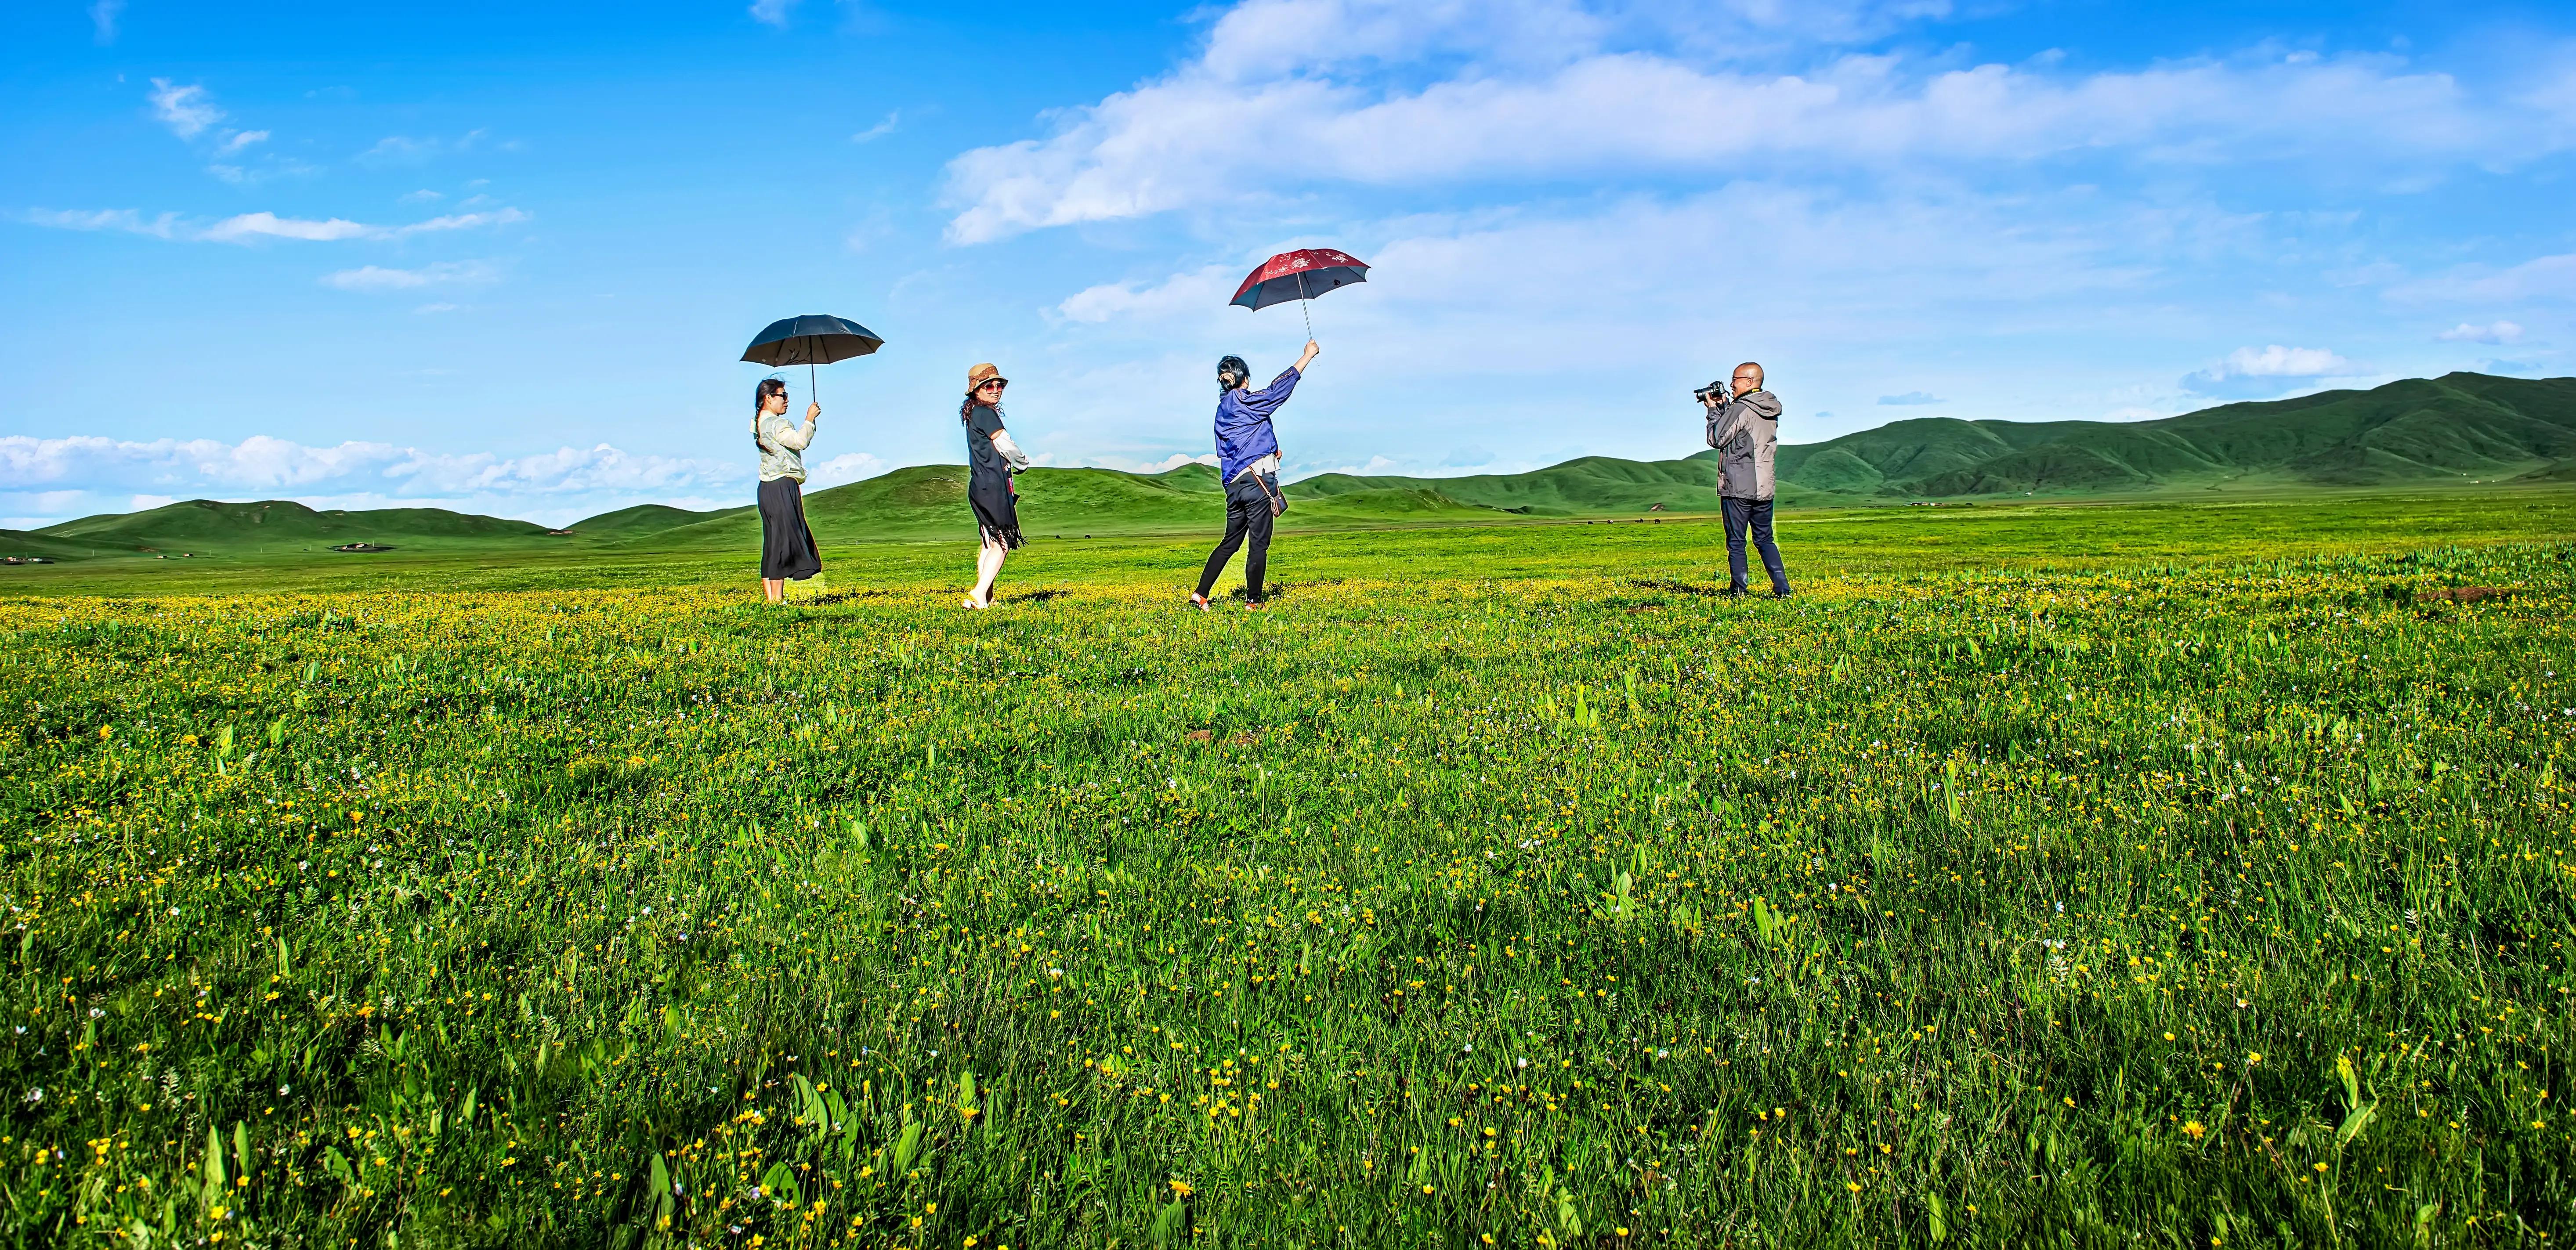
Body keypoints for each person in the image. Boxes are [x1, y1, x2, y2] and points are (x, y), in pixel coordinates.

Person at [1194, 340, 1317, 611]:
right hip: (1257, 484)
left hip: (1234, 486)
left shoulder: (1222, 410)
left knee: (1230, 542)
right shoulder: (1245, 400)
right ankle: (1253, 602)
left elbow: (1234, 445)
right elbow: (1277, 392)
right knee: (1259, 544)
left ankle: (1200, 595)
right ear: (1245, 379)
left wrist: (1271, 450)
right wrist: (1306, 357)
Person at [1702, 361, 1791, 597]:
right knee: (1765, 540)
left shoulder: (1741, 408)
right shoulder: (1769, 408)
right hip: (1764, 487)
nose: (1731, 385)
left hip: (1738, 487)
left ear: (1749, 382)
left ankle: (1739, 591)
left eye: (1735, 380)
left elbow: (1717, 438)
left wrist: (1713, 411)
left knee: (1736, 542)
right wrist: (1725, 410)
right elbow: (1740, 434)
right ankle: (1783, 589)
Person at [960, 362, 1033, 610]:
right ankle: (979, 593)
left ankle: (985, 599)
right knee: (1003, 543)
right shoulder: (986, 413)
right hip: (993, 486)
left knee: (988, 543)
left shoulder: (973, 415)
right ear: (976, 390)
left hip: (979, 486)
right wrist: (1022, 463)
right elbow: (1005, 443)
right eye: (988, 385)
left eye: (998, 385)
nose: (995, 389)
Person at [752, 377, 822, 603]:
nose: (787, 401)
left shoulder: (757, 423)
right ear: (768, 398)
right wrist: (809, 419)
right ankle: (777, 598)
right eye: (783, 396)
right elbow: (800, 442)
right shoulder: (776, 424)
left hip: (766, 489)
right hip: (783, 485)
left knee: (773, 541)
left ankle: (772, 598)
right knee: (784, 541)